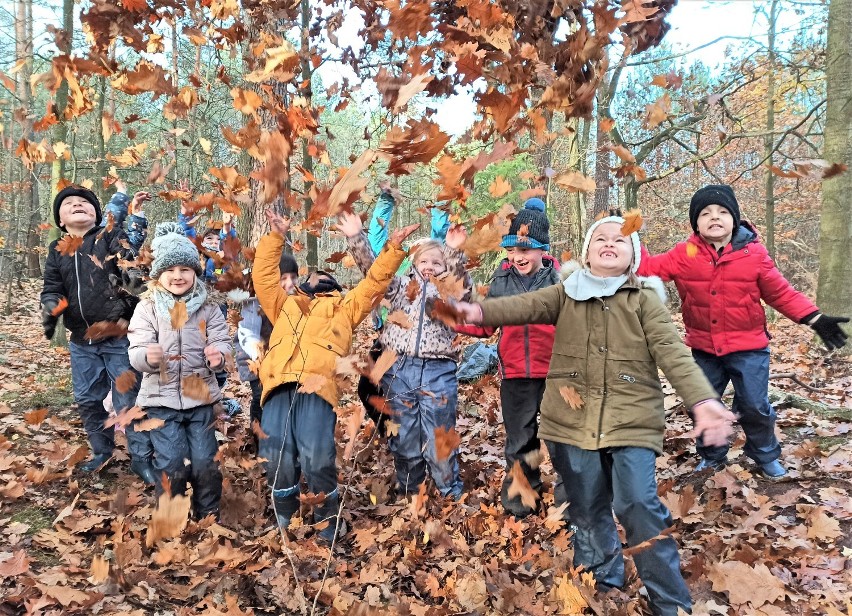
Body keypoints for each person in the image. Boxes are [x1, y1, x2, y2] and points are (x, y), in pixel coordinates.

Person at [453, 213, 736, 616]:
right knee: (585, 505)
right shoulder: (564, 294)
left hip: (631, 420)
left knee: (637, 503)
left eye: (619, 240)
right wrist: (476, 313)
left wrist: (703, 401)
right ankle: (602, 578)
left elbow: (674, 355)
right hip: (570, 423)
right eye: (600, 238)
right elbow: (520, 306)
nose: (609, 243)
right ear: (586, 252)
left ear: (633, 254)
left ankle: (670, 601)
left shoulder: (645, 302)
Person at [637, 184, 849, 478]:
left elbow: (781, 293)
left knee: (754, 405)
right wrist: (627, 236)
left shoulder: (754, 254)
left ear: (734, 219)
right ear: (695, 223)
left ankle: (764, 454)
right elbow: (646, 269)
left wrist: (814, 318)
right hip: (703, 349)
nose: (715, 217)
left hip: (749, 348)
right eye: (706, 213)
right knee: (702, 402)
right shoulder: (684, 254)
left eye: (723, 212)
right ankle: (712, 455)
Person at [254, 209, 415, 543]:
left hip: (318, 389)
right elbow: (264, 278)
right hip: (278, 384)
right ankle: (284, 518)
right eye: (310, 279)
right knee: (276, 456)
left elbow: (373, 284)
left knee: (316, 455)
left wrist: (393, 250)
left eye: (322, 280)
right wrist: (275, 237)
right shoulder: (284, 304)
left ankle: (328, 519)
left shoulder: (345, 306)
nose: (315, 280)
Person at [340, 209, 471, 501]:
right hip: (400, 369)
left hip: (439, 370)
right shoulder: (401, 288)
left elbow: (463, 292)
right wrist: (356, 237)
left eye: (436, 263)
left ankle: (449, 489)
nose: (430, 267)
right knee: (404, 435)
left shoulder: (449, 291)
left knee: (440, 435)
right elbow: (375, 272)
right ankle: (411, 487)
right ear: (413, 264)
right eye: (424, 261)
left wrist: (451, 253)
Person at [40, 181, 156, 484]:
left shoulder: (109, 236)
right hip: (81, 340)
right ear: (61, 220)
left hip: (119, 335)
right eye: (69, 204)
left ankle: (141, 458)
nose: (77, 205)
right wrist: (51, 309)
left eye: (84, 202)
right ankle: (102, 451)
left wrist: (131, 276)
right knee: (88, 398)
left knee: (127, 399)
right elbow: (53, 286)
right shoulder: (57, 250)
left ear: (97, 214)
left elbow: (127, 258)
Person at [455, 197, 562, 517]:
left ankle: (574, 500)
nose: (517, 256)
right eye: (512, 249)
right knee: (520, 440)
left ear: (543, 249)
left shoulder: (559, 280)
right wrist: (457, 321)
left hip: (557, 372)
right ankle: (521, 498)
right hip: (516, 373)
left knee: (562, 440)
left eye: (526, 250)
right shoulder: (502, 280)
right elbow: (486, 322)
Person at [127, 222, 231, 520]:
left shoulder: (209, 307)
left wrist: (219, 356)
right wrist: (148, 356)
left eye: (185, 270)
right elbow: (135, 350)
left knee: (205, 463)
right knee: (173, 464)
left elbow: (223, 342)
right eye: (170, 270)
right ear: (159, 275)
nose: (177, 276)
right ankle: (169, 515)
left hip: (200, 399)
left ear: (195, 272)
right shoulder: (147, 308)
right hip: (160, 400)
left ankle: (208, 515)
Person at [234, 253, 299, 452]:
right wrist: (259, 355)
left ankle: (287, 437)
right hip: (254, 357)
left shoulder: (297, 299)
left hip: (282, 358)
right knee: (261, 396)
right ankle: (260, 440)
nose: (289, 283)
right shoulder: (256, 302)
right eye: (283, 278)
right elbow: (248, 333)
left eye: (293, 277)